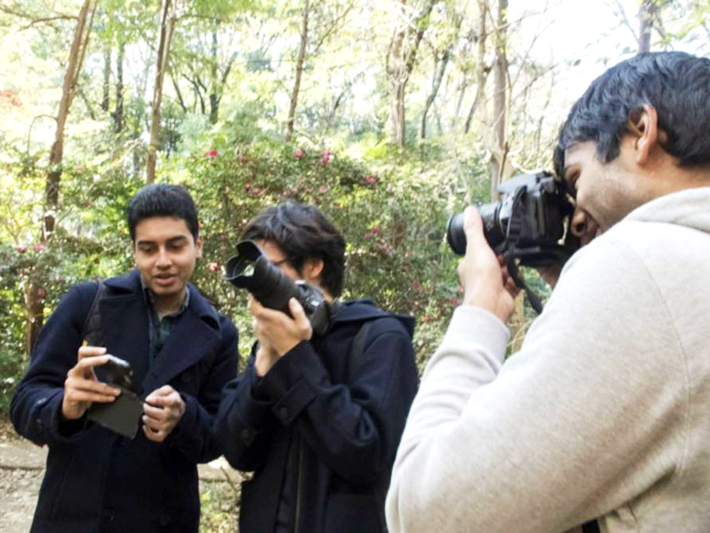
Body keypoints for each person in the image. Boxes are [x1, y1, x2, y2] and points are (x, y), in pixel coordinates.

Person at [386, 51, 710, 533]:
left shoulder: (639, 264)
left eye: (576, 179)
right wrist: (569, 283)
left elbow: (430, 512)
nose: (577, 217)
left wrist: (479, 312)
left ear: (641, 130)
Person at [11, 183, 239, 532]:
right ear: (134, 251)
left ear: (198, 244)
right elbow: (26, 401)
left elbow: (216, 436)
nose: (163, 261)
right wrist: (65, 405)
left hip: (164, 516)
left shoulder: (218, 332)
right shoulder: (88, 303)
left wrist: (184, 416)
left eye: (175, 246)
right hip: (76, 514)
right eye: (148, 249)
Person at [214, 202, 418, 533]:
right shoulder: (271, 341)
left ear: (314, 265)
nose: (256, 283)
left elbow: (367, 456)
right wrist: (266, 360)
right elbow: (237, 450)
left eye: (268, 267)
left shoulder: (380, 338)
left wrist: (295, 355)